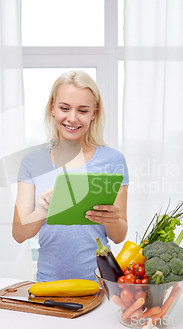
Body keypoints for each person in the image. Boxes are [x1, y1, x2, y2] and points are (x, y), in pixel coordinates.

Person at [12, 70, 129, 282]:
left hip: (100, 285)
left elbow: (119, 235)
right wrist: (43, 210)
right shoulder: (32, 162)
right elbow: (19, 234)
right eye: (64, 108)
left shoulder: (113, 160)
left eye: (82, 110)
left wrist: (112, 219)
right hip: (48, 285)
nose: (72, 118)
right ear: (52, 108)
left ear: (94, 112)